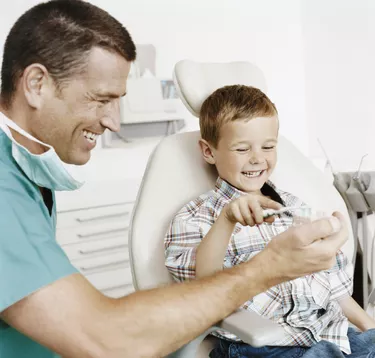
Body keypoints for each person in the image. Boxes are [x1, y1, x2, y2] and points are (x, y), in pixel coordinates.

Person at [0, 1, 348, 358]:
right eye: (100, 99)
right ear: (36, 84)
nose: (114, 122)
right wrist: (269, 267)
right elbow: (102, 339)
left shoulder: (25, 171)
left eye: (118, 101)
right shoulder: (3, 186)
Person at [164, 85, 375, 357]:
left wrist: (368, 327)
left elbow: (333, 286)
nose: (257, 158)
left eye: (268, 146)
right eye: (242, 148)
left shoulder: (294, 207)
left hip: (326, 332)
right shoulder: (195, 217)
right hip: (261, 346)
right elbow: (205, 291)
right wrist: (227, 220)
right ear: (208, 151)